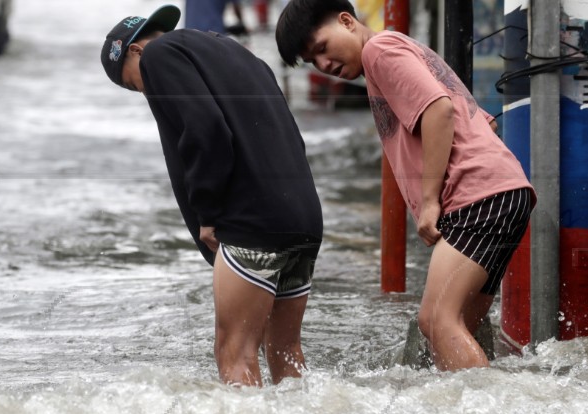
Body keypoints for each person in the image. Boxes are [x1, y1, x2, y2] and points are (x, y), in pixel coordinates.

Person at [276, 0, 536, 372]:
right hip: (502, 193)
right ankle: (481, 410)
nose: (324, 65)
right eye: (312, 62)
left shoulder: (380, 51)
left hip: (479, 197)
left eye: (321, 48)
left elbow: (438, 110)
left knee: (436, 320)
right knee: (462, 323)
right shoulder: (402, 48)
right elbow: (483, 123)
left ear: (347, 21)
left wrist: (430, 200)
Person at [101, 5, 323, 386]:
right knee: (285, 352)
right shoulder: (239, 54)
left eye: (134, 84)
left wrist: (206, 212)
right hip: (301, 221)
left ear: (134, 51)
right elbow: (292, 137)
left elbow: (205, 130)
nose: (144, 89)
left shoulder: (158, 55)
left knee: (234, 353)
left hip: (251, 223)